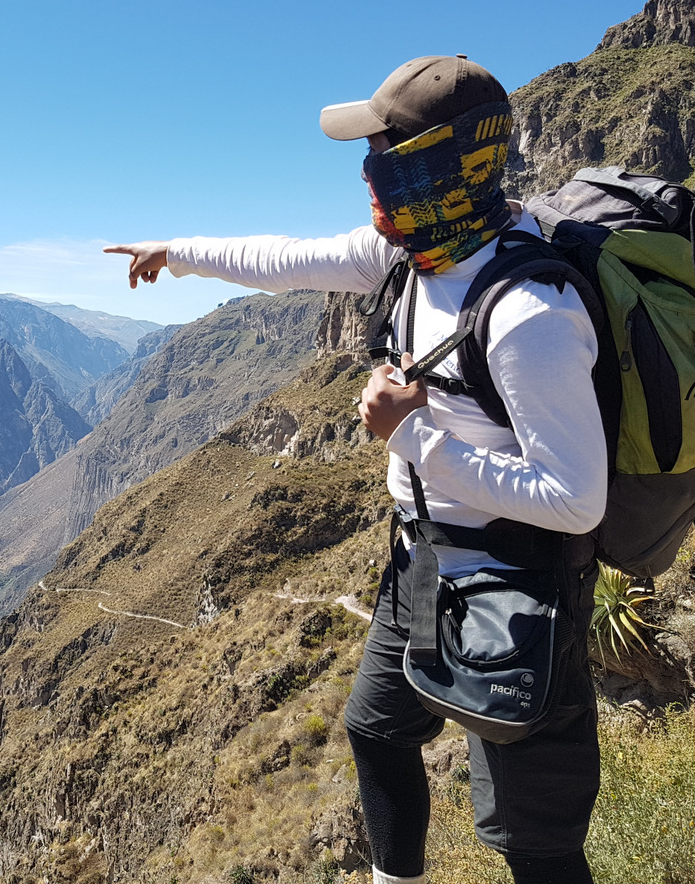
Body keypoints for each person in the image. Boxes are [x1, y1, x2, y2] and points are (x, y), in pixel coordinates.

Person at [105, 55, 606, 884]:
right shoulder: (414, 253)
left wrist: (411, 438)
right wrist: (178, 251)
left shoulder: (527, 312)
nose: (370, 170)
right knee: (376, 728)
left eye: (385, 150)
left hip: (522, 585)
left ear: (442, 162)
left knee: (533, 838)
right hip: (423, 564)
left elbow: (575, 498)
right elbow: (287, 259)